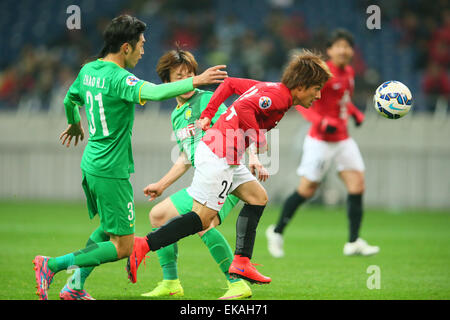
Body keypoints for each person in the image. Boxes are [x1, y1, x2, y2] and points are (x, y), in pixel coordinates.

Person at [32, 14, 227, 300]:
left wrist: (75, 122)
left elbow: (69, 99)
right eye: (141, 45)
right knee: (123, 246)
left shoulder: (88, 71)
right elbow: (156, 92)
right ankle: (51, 265)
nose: (143, 50)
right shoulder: (121, 79)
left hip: (92, 163)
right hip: (112, 168)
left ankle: (74, 287)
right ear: (126, 47)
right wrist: (195, 80)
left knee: (107, 227)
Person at [127, 49, 332, 285]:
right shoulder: (278, 97)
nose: (317, 96)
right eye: (317, 89)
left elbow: (231, 84)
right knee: (202, 220)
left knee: (258, 197)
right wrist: (259, 138)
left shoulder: (272, 88)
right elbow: (245, 109)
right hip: (219, 156)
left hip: (227, 156)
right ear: (302, 85)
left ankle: (242, 263)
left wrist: (208, 114)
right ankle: (143, 244)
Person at [140, 48, 255, 300]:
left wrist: (254, 157)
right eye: (180, 76)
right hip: (205, 181)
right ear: (167, 82)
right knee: (158, 215)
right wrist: (161, 184)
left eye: (191, 74)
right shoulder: (176, 115)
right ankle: (171, 283)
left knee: (204, 222)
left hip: (230, 179)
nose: (188, 80)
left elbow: (240, 126)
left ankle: (237, 283)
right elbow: (185, 157)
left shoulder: (206, 100)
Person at [266, 29, 380, 258]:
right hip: (320, 141)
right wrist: (320, 121)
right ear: (329, 50)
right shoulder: (322, 74)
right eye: (338, 45)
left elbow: (343, 101)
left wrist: (355, 113)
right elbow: (297, 102)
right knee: (307, 189)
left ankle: (353, 241)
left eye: (347, 46)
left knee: (357, 186)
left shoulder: (348, 71)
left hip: (343, 140)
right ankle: (276, 231)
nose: (343, 50)